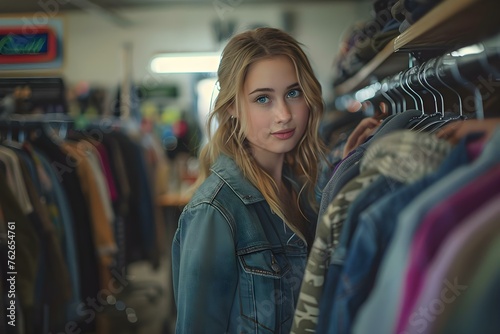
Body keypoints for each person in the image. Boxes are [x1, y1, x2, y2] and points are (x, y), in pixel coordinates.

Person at [171, 27, 326, 333]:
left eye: (293, 93)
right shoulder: (214, 211)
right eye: (262, 99)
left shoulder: (306, 191)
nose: (283, 114)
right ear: (232, 107)